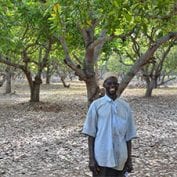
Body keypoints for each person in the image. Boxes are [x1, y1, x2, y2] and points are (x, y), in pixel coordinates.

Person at [82, 73, 137, 177]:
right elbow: (91, 134)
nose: (112, 85)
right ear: (104, 85)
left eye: (115, 83)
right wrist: (91, 159)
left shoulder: (125, 106)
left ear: (118, 85)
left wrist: (129, 159)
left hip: (121, 157)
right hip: (102, 157)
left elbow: (128, 136)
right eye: (109, 83)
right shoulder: (96, 105)